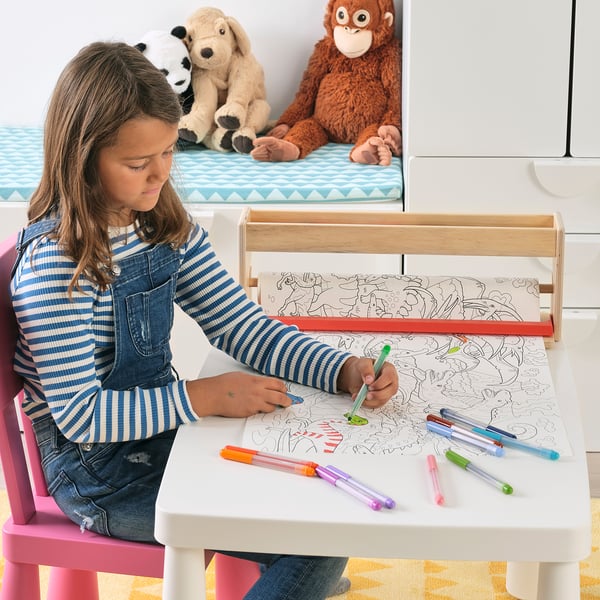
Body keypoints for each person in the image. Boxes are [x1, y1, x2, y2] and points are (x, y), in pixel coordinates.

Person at [10, 42, 399, 600]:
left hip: (164, 436)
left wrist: (341, 371)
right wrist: (204, 397)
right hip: (99, 476)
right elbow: (82, 417)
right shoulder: (58, 264)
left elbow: (244, 327)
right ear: (83, 159)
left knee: (323, 501)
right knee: (314, 543)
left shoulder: (159, 222)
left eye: (167, 153)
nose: (158, 175)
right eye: (138, 164)